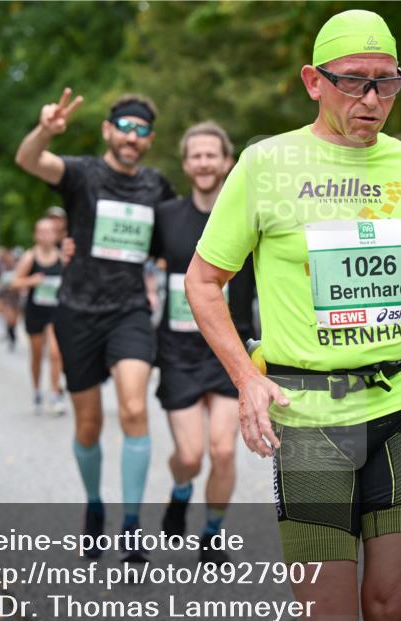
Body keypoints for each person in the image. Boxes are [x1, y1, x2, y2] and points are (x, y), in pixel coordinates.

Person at [185, 11, 401, 621]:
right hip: (310, 415)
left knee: (393, 609)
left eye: (386, 84)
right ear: (312, 81)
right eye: (354, 83)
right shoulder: (265, 164)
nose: (371, 101)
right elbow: (203, 281)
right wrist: (247, 378)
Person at [15, 89, 176, 562]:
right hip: (77, 312)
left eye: (142, 129)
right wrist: (46, 128)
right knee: (87, 424)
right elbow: (28, 159)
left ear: (149, 139)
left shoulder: (156, 186)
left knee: (132, 408)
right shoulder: (84, 174)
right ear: (108, 130)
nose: (132, 135)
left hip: (129, 310)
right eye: (124, 126)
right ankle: (93, 504)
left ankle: (130, 524)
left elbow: (178, 237)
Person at [153, 122, 255, 564]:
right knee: (192, 456)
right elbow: (132, 263)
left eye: (211, 154)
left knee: (223, 447)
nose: (204, 162)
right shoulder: (166, 216)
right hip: (178, 350)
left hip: (229, 348)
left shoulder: (249, 216)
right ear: (186, 164)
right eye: (195, 155)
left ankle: (212, 532)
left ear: (227, 161)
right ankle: (180, 492)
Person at [13, 217, 66, 416]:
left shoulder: (61, 257)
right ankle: (36, 391)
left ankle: (55, 394)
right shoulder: (30, 257)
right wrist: (31, 280)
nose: (46, 235)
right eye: (42, 231)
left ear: (56, 235)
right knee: (37, 354)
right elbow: (15, 282)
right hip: (35, 311)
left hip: (55, 312)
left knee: (55, 353)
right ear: (36, 235)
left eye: (50, 231)